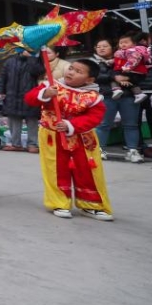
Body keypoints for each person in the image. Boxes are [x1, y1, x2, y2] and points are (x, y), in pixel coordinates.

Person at [24, 59, 113, 220]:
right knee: (57, 169)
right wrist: (44, 94)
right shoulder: (51, 85)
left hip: (83, 138)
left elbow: (95, 118)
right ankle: (60, 202)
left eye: (78, 71)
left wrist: (71, 125)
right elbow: (29, 99)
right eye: (71, 68)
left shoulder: (94, 97)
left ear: (90, 79)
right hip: (53, 136)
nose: (71, 72)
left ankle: (90, 205)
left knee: (87, 171)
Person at [92, 39, 143, 163]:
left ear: (112, 47)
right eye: (98, 46)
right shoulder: (93, 62)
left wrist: (127, 78)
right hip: (107, 96)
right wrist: (114, 77)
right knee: (103, 124)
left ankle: (132, 151)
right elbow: (94, 77)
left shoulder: (128, 58)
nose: (101, 48)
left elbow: (139, 74)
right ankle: (99, 149)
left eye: (105, 46)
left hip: (128, 96)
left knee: (131, 125)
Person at [0, 51, 43, 154]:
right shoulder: (10, 61)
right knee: (14, 120)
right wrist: (0, 91)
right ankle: (16, 144)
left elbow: (38, 71)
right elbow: (2, 77)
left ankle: (32, 144)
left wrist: (31, 58)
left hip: (29, 94)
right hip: (12, 94)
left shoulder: (36, 60)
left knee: (32, 120)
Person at [111, 33, 148, 103]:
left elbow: (133, 60)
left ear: (134, 44)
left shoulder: (133, 51)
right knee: (131, 82)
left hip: (132, 71)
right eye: (121, 43)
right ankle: (138, 93)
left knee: (113, 75)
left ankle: (116, 89)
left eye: (126, 42)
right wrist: (111, 61)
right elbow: (119, 60)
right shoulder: (123, 52)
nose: (123, 44)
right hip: (132, 71)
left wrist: (127, 68)